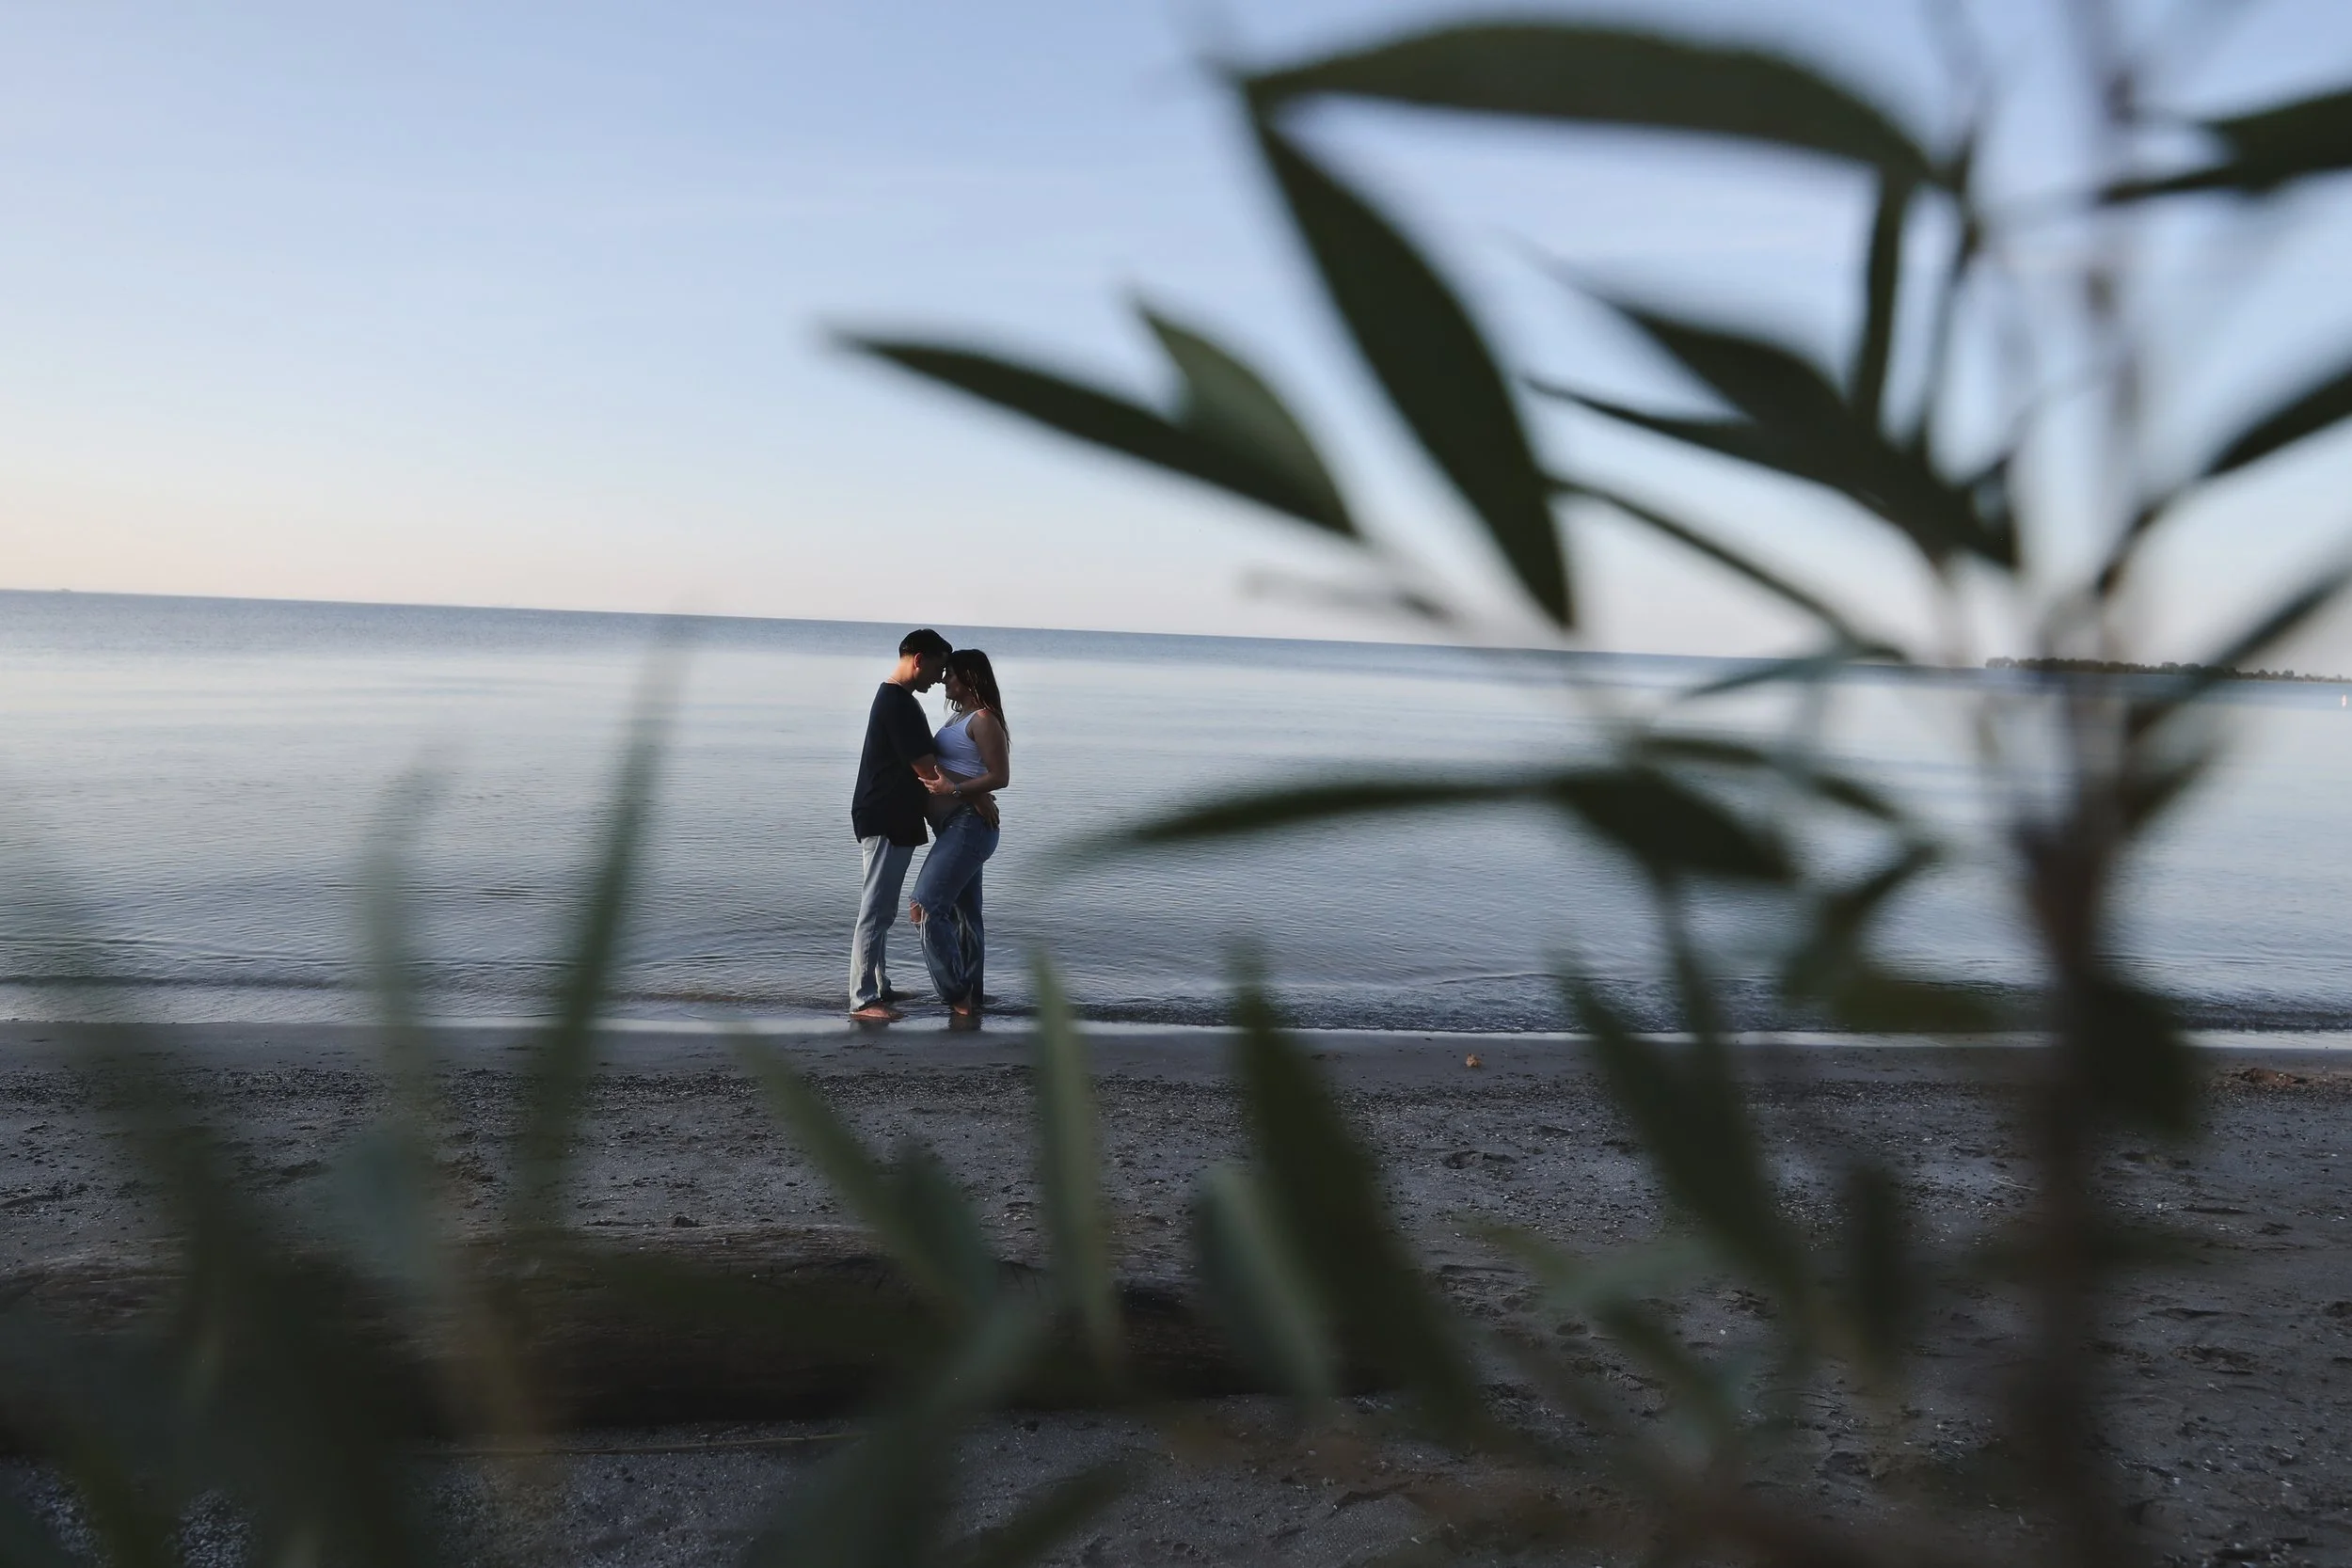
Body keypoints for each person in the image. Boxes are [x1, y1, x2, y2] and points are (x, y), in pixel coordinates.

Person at [849, 629, 990, 1022]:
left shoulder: (899, 700)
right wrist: (977, 794)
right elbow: (928, 769)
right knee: (876, 910)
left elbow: (926, 765)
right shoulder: (898, 703)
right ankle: (863, 999)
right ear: (918, 660)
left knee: (883, 908)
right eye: (938, 667)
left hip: (891, 815)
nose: (940, 678)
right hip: (885, 815)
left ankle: (879, 985)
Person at [908, 648, 1009, 1024]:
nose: (945, 680)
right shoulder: (957, 717)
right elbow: (954, 768)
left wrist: (957, 791)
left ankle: (958, 996)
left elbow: (1001, 776)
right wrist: (971, 790)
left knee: (925, 907)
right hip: (955, 826)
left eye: (951, 675)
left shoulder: (983, 719)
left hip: (970, 827)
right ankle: (974, 999)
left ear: (970, 678)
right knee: (968, 920)